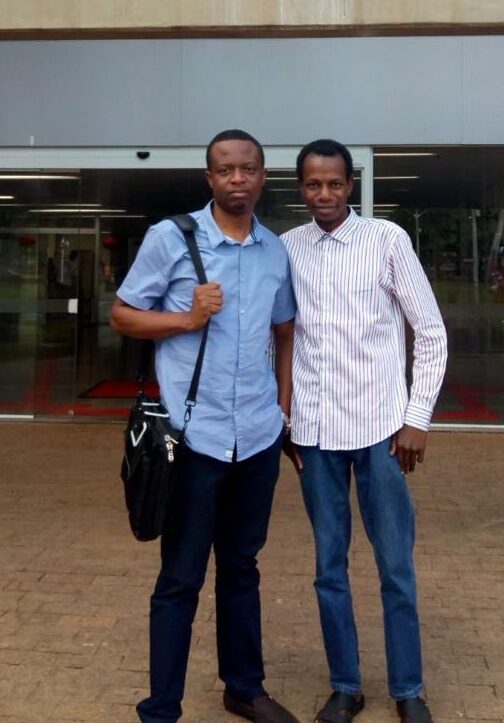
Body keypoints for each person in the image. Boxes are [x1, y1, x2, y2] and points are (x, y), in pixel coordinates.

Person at [110, 129, 299, 723]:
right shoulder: (172, 238)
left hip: (259, 436)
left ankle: (244, 687)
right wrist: (186, 318)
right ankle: (161, 706)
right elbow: (122, 314)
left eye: (247, 169)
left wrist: (284, 410)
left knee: (242, 567)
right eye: (225, 170)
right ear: (209, 178)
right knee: (181, 577)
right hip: (194, 438)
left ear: (262, 176)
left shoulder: (275, 250)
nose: (236, 179)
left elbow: (284, 332)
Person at [281, 139, 447, 723]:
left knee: (395, 566)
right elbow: (278, 342)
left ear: (350, 186)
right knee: (329, 567)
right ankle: (346, 685)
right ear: (299, 188)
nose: (323, 194)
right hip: (314, 437)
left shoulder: (386, 241)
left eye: (333, 183)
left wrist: (417, 418)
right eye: (311, 184)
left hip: (381, 432)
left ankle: (409, 690)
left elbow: (429, 332)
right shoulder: (286, 250)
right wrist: (284, 424)